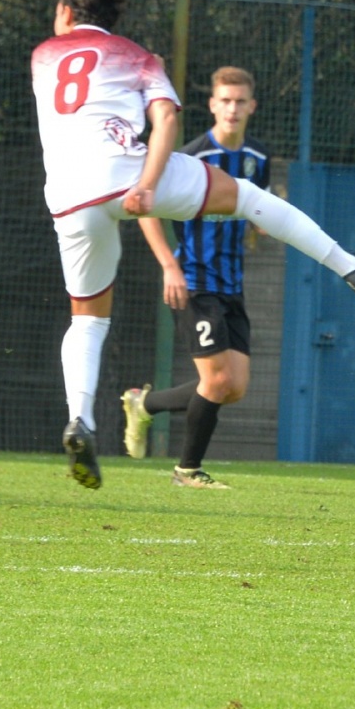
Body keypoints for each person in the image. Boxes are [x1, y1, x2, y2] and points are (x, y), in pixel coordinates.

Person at [33, 0, 355, 490]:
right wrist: (147, 184)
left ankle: (81, 419)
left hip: (67, 195)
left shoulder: (42, 56)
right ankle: (348, 264)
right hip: (125, 173)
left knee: (87, 318)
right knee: (247, 197)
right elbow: (167, 120)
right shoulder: (137, 57)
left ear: (64, 11)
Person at [120, 66, 270, 489]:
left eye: (240, 101)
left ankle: (143, 403)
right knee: (217, 380)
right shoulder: (191, 157)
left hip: (231, 284)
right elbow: (145, 207)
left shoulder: (258, 158)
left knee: (233, 387)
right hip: (193, 281)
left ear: (252, 106)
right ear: (212, 105)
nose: (233, 108)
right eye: (225, 100)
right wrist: (169, 266)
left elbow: (251, 206)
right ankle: (187, 471)